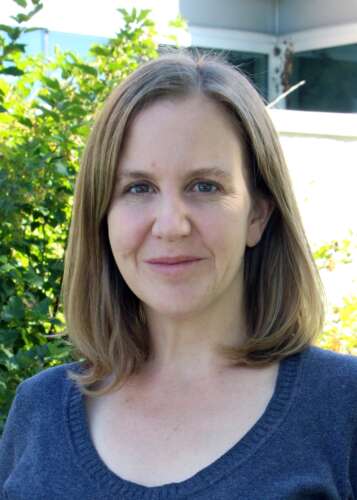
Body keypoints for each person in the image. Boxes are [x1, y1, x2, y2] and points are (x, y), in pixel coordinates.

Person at [0, 49, 356, 500]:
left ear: (258, 215)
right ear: (102, 214)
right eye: (138, 188)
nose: (171, 225)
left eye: (205, 186)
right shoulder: (39, 410)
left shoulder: (343, 408)